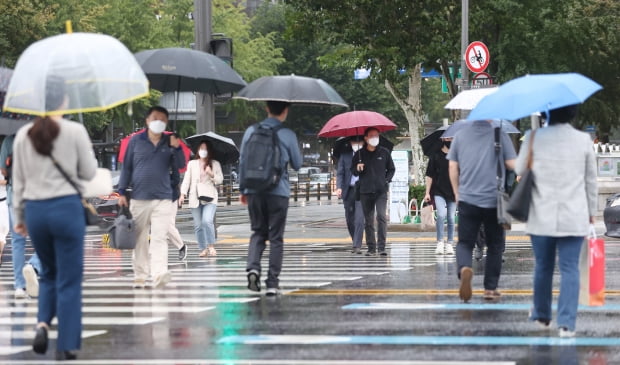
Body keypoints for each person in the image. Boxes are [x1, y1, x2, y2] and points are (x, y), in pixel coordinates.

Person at [12, 78, 98, 360]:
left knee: (48, 272)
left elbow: (19, 181)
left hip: (36, 212)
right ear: (64, 101)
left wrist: (20, 217)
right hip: (66, 209)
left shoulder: (24, 135)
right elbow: (87, 173)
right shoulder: (74, 131)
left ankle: (41, 324)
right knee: (69, 278)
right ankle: (67, 342)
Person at [515, 105, 597, 337]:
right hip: (574, 215)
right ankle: (567, 323)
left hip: (541, 215)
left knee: (543, 267)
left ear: (547, 115)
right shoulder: (583, 140)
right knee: (570, 268)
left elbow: (520, 168)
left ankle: (542, 315)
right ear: (572, 115)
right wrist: (591, 212)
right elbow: (591, 182)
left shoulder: (533, 137)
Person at [117, 106, 186, 289]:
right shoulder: (135, 141)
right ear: (147, 120)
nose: (159, 121)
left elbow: (180, 165)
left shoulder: (169, 142)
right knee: (140, 239)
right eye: (155, 118)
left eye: (163, 119)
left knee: (159, 237)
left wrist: (176, 148)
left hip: (162, 198)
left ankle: (159, 274)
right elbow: (127, 168)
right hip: (139, 197)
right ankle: (140, 275)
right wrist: (122, 191)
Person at [447, 120, 516, 302]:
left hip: (468, 199)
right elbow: (512, 164)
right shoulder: (500, 134)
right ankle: (490, 289)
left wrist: (456, 192)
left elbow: (452, 167)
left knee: (465, 243)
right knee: (495, 246)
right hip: (494, 200)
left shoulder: (460, 136)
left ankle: (464, 269)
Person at [239, 101, 302, 296]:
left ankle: (253, 268)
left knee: (257, 232)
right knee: (275, 237)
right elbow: (298, 164)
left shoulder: (251, 131)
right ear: (285, 111)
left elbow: (242, 161)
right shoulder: (287, 134)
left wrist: (243, 189)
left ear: (267, 108)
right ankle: (272, 283)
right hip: (278, 191)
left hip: (254, 190)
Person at [0, 134, 42, 298]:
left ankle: (19, 286)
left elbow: (3, 170)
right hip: (37, 196)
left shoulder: (9, 141)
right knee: (45, 238)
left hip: (15, 196)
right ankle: (34, 265)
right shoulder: (41, 138)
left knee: (18, 241)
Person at [351, 127, 395, 257]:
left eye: (377, 135)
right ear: (366, 138)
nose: (375, 138)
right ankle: (371, 247)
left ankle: (382, 247)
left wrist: (386, 180)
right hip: (365, 191)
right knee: (368, 221)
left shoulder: (384, 152)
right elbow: (352, 171)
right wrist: (357, 168)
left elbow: (391, 169)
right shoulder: (360, 154)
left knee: (381, 217)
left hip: (381, 191)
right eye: (371, 135)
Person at [180, 140, 223, 257]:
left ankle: (211, 246)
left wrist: (211, 173)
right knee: (198, 225)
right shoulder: (192, 164)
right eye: (201, 148)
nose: (203, 151)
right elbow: (187, 180)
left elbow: (220, 180)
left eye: (205, 149)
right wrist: (183, 194)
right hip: (195, 197)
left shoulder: (215, 164)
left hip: (210, 197)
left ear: (209, 151)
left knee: (207, 221)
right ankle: (203, 248)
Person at [424, 137, 456, 255]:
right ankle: (440, 242)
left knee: (452, 218)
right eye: (448, 138)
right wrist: (427, 192)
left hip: (453, 192)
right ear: (442, 139)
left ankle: (450, 244)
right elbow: (429, 175)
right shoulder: (435, 155)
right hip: (439, 191)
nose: (450, 140)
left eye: (452, 138)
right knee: (441, 215)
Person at [335, 137, 365, 254]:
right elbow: (340, 173)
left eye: (359, 142)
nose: (357, 144)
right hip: (349, 190)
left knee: (359, 217)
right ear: (350, 143)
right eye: (354, 142)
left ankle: (357, 245)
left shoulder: (366, 155)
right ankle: (355, 240)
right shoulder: (345, 155)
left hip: (362, 189)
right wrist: (339, 187)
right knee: (349, 218)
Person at [168, 153, 187, 261]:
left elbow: (176, 180)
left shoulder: (172, 161)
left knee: (168, 224)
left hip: (170, 197)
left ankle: (181, 246)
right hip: (157, 198)